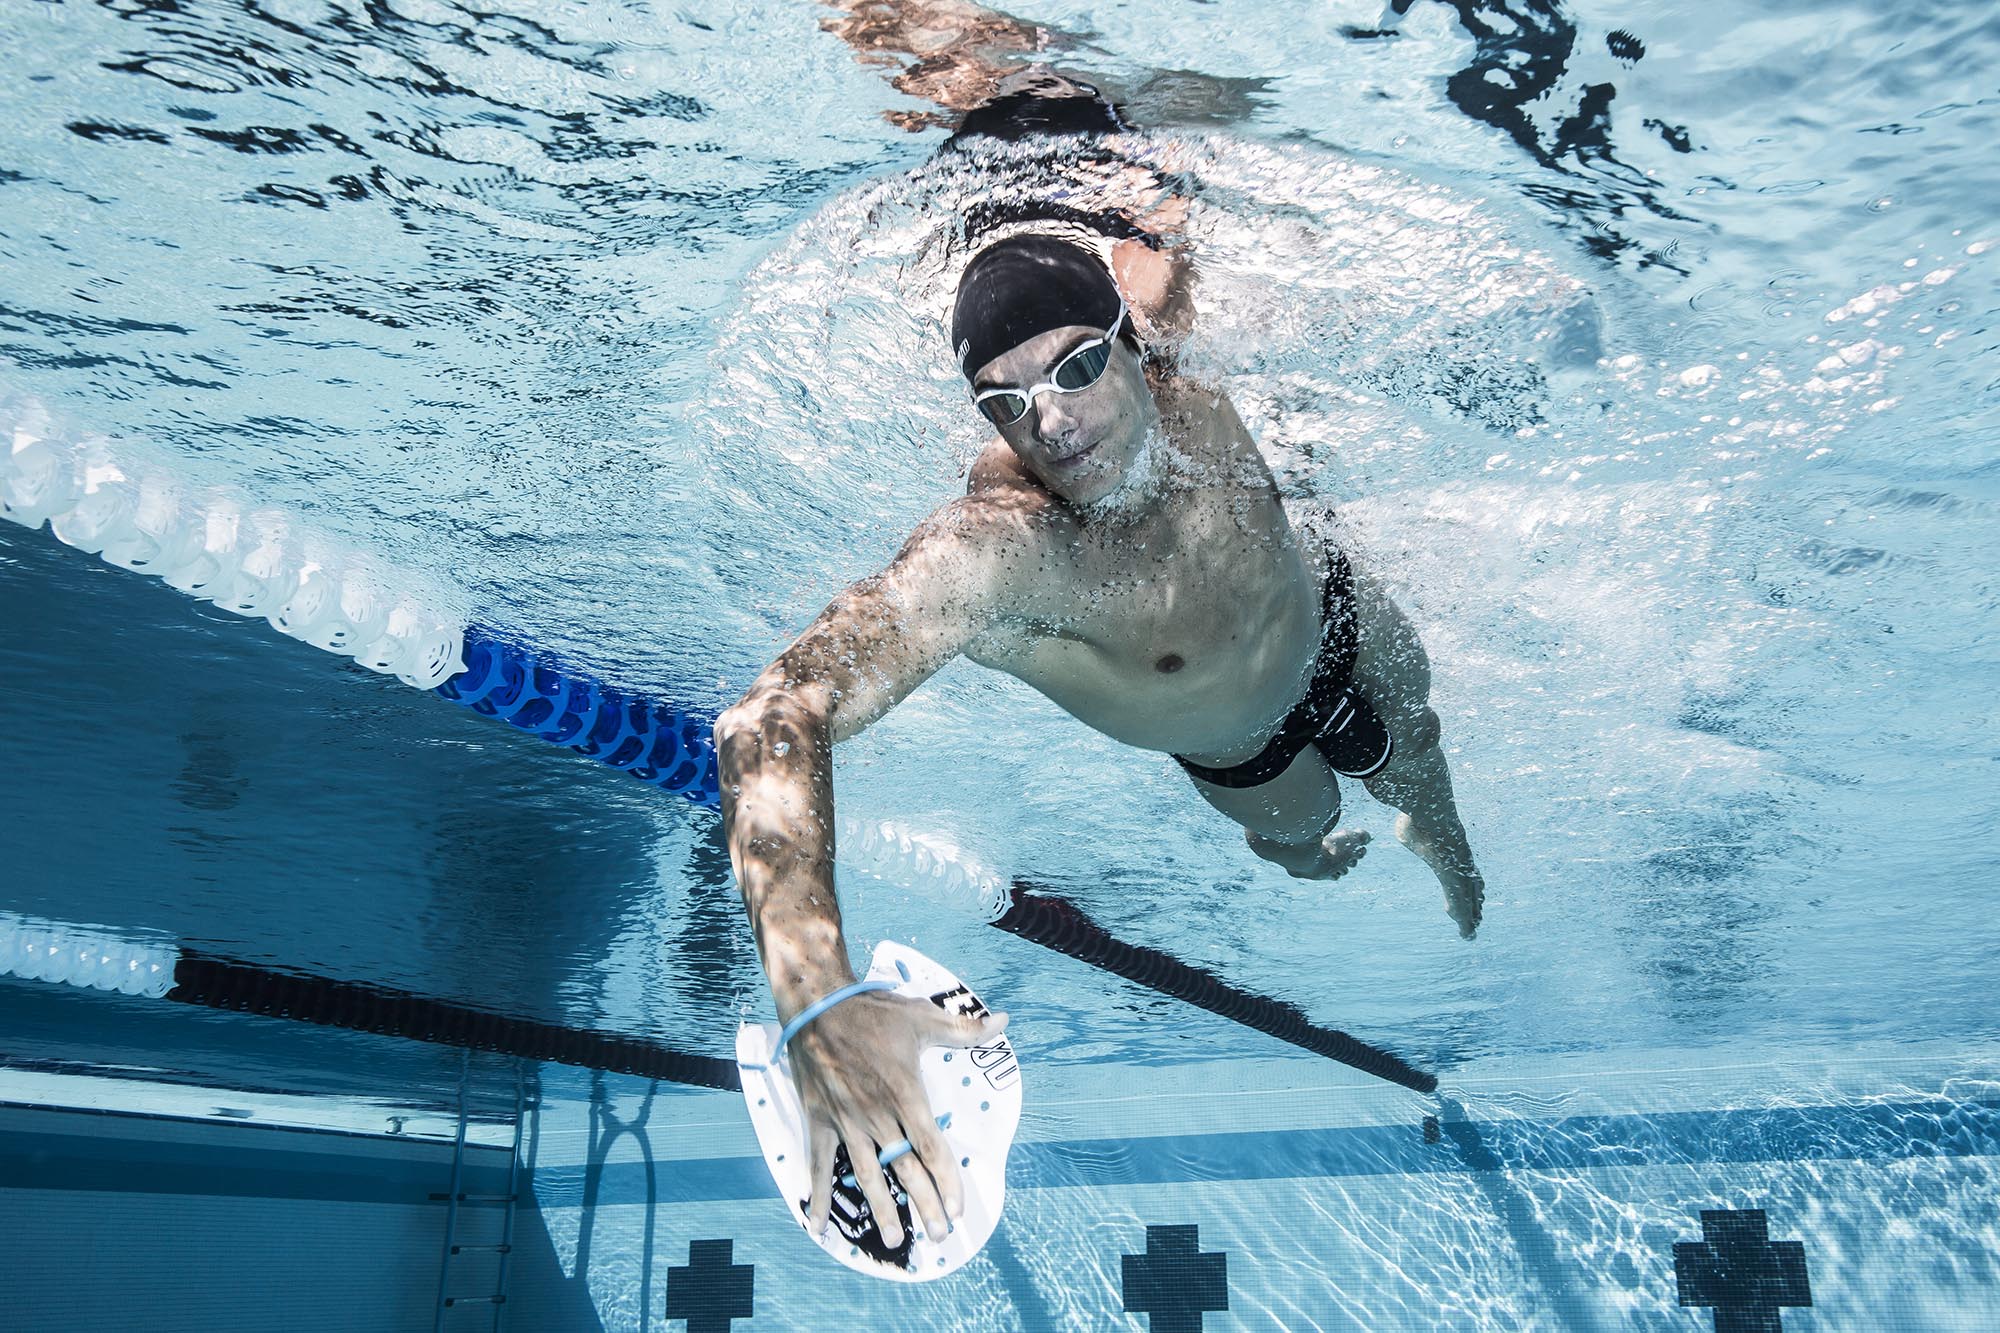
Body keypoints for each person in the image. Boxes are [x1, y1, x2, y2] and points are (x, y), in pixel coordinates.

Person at [713, 69, 1485, 1253]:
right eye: (1004, 403)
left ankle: (1439, 842)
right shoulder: (1000, 553)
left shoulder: (1170, 332)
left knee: (1415, 747)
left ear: (1127, 341)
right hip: (1244, 747)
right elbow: (776, 711)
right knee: (1300, 838)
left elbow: (1159, 193)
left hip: (1337, 604)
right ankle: (1318, 842)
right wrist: (813, 990)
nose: (1052, 422)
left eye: (1075, 367)